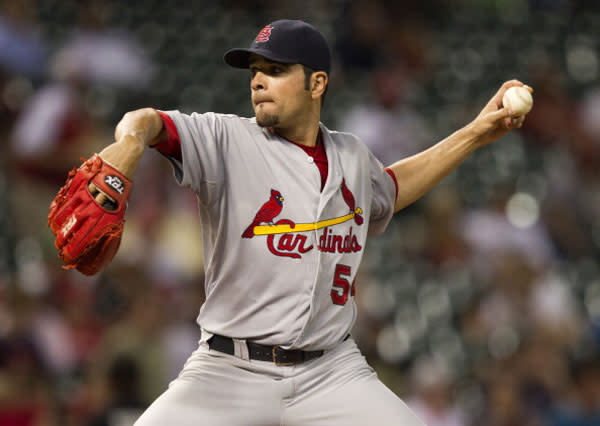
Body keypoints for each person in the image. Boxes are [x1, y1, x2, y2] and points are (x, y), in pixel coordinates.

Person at [76, 19, 529, 426]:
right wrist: (130, 143)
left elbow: (389, 190)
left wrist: (477, 133)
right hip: (229, 370)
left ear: (317, 83)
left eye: (275, 71)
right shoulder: (226, 139)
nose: (257, 82)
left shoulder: (351, 155)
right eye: (254, 71)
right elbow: (149, 122)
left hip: (331, 371)